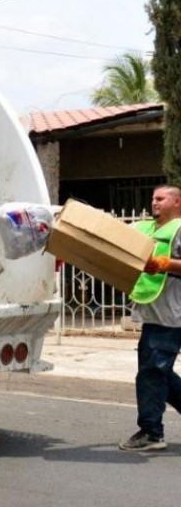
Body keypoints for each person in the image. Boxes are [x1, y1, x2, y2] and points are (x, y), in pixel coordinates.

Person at [119, 184, 181, 451]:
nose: (154, 202)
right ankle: (151, 430)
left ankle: (151, 433)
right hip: (153, 314)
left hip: (171, 316)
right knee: (159, 372)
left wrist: (165, 264)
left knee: (152, 372)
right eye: (153, 198)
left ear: (177, 202)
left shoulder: (179, 230)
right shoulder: (144, 228)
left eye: (161, 198)